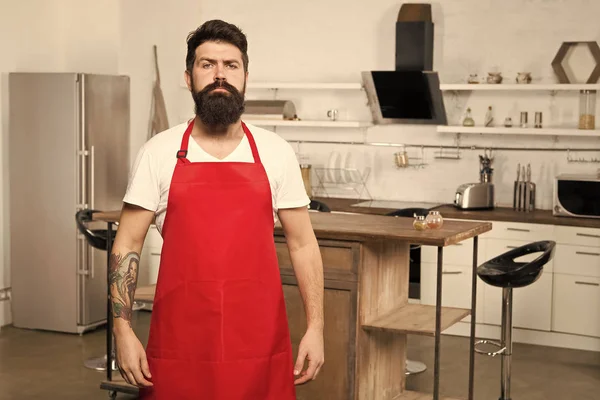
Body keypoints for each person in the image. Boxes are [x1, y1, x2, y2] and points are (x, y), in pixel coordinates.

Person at [109, 19, 325, 400]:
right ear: (188, 77)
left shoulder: (275, 152)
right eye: (207, 65)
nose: (219, 75)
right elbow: (126, 244)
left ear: (245, 76)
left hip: (259, 345)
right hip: (179, 346)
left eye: (231, 65)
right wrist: (122, 331)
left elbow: (304, 245)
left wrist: (316, 327)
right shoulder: (158, 153)